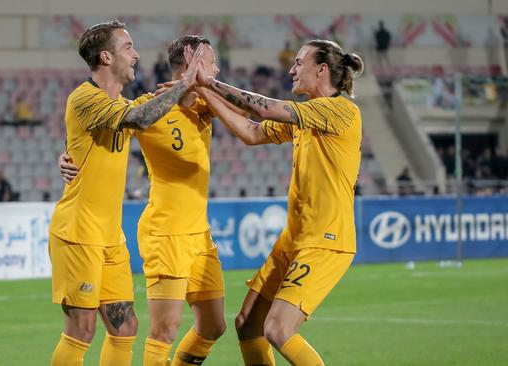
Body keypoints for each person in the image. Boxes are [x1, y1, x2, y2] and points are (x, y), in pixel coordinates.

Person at [59, 35, 227, 366]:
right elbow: (125, 122)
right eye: (209, 62)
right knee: (105, 329)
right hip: (154, 232)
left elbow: (251, 119)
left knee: (205, 325)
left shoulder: (206, 104)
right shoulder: (145, 107)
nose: (217, 69)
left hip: (179, 234)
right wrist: (67, 154)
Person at [196, 39, 363, 365]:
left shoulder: (341, 111)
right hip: (295, 240)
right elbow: (251, 132)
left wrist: (208, 82)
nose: (291, 69)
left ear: (321, 69)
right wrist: (204, 93)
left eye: (299, 63)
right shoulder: (306, 118)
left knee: (277, 328)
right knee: (247, 326)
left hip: (326, 241)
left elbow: (264, 108)